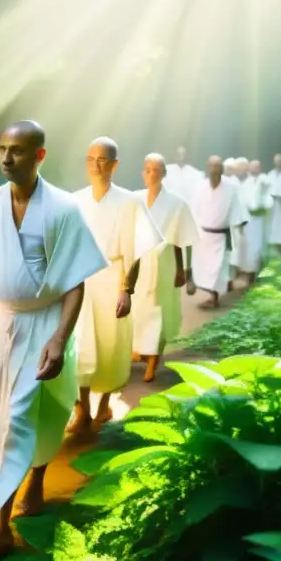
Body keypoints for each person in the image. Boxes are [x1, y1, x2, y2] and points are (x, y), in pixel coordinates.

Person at [0, 120, 107, 558]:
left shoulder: (63, 209)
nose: (6, 158)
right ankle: (33, 478)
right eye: (1, 148)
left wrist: (58, 337)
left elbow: (76, 282)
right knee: (5, 414)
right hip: (0, 323)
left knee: (25, 415)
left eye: (17, 150)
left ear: (40, 156)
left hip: (44, 325)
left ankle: (1, 523)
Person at [71, 137, 163, 432]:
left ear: (114, 164)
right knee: (80, 345)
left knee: (111, 346)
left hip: (113, 278)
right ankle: (82, 409)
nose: (96, 165)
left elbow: (135, 250)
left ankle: (103, 405)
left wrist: (127, 289)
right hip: (81, 280)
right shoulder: (75, 200)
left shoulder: (130, 201)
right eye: (91, 159)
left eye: (102, 159)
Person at [132, 154, 197, 382]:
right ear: (143, 172)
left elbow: (181, 238)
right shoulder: (134, 200)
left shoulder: (177, 203)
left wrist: (183, 270)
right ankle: (141, 350)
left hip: (165, 262)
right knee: (139, 309)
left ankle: (153, 360)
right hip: (139, 263)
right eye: (147, 169)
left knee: (159, 310)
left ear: (164, 174)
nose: (151, 174)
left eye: (156, 169)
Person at [188, 155, 248, 309]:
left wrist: (238, 229)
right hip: (203, 235)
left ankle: (214, 298)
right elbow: (194, 209)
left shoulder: (231, 187)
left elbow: (237, 210)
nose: (215, 170)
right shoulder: (200, 187)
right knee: (203, 268)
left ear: (222, 169)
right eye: (212, 167)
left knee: (217, 269)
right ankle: (209, 292)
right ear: (207, 168)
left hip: (221, 236)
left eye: (218, 167)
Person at [238, 160, 273, 283]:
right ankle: (251, 274)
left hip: (262, 219)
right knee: (250, 247)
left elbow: (268, 198)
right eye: (253, 167)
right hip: (249, 219)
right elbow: (243, 201)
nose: (255, 169)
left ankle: (261, 272)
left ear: (260, 168)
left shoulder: (265, 180)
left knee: (261, 246)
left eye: (257, 167)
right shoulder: (246, 183)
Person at [229, 157, 251, 282]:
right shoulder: (230, 181)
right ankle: (232, 273)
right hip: (234, 219)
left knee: (249, 245)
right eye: (238, 167)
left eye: (242, 166)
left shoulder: (253, 180)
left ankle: (248, 272)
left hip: (251, 218)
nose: (240, 169)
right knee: (234, 246)